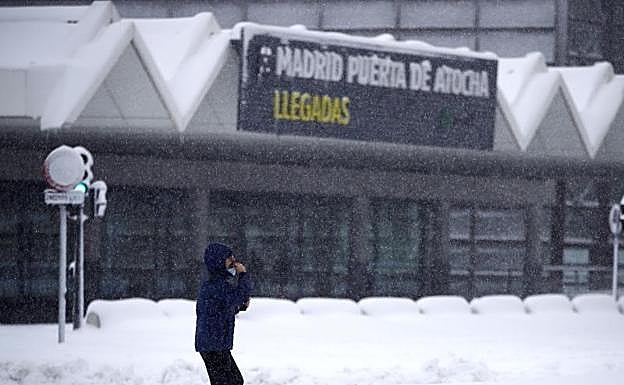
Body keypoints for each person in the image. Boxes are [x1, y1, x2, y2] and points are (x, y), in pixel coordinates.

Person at [196, 242, 251, 385]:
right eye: (229, 258)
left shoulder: (218, 284)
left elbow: (221, 309)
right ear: (219, 261)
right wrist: (243, 275)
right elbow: (237, 297)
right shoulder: (215, 286)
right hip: (213, 345)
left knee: (234, 381)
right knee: (231, 382)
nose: (234, 262)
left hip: (216, 344)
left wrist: (239, 307)